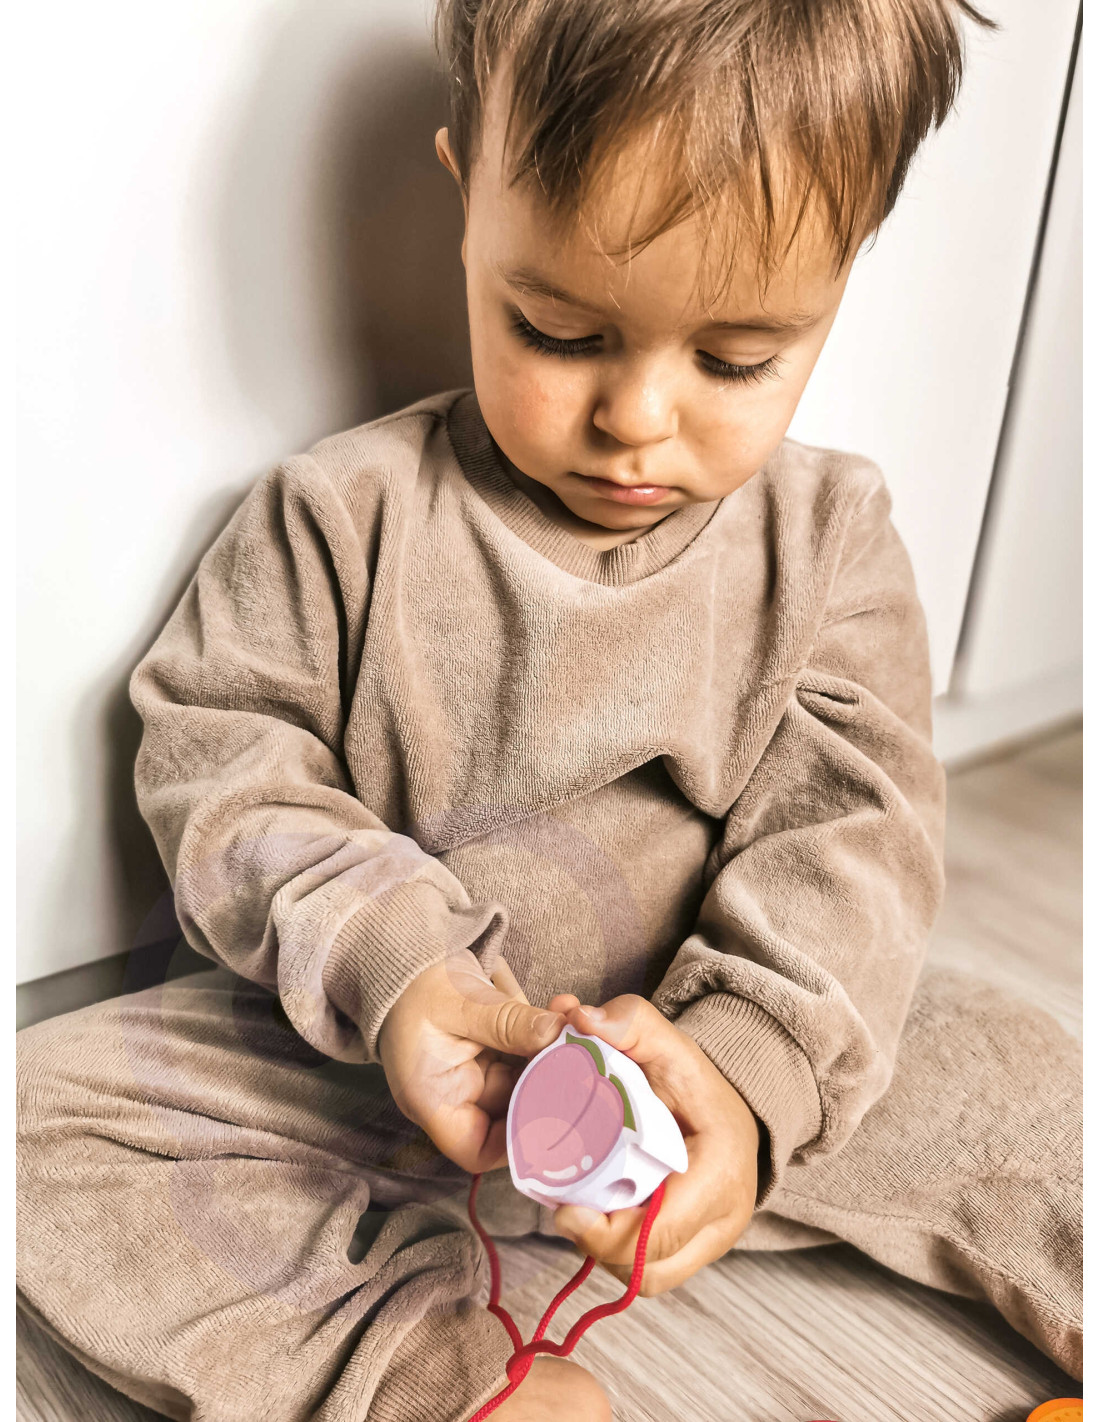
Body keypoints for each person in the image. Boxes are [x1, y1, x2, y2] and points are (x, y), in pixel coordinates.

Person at [16, 2, 1081, 1418]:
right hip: (385, 1083)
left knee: (1028, 1081)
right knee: (37, 1122)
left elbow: (856, 839)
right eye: (559, 329)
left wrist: (749, 1078)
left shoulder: (829, 543)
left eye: (736, 359)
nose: (637, 418)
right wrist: (396, 967)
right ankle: (429, 1377)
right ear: (469, 198)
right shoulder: (340, 518)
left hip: (706, 1070)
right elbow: (223, 766)